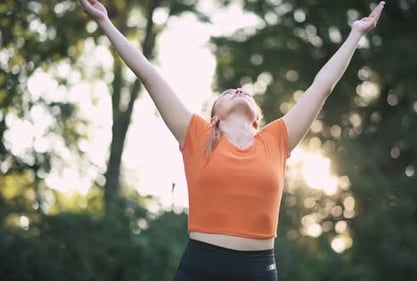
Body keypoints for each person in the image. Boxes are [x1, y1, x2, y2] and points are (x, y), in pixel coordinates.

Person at [78, 0, 385, 280]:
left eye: (245, 92)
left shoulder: (276, 139)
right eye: (228, 93)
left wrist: (356, 35)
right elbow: (148, 74)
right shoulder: (197, 134)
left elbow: (322, 86)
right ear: (215, 116)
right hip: (201, 267)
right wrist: (105, 21)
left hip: (258, 270)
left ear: (256, 118)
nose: (239, 90)